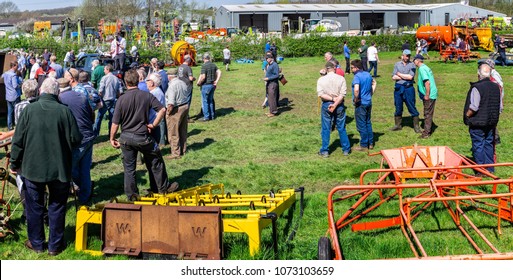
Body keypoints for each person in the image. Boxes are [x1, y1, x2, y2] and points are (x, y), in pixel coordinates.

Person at [10, 77, 82, 256]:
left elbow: (17, 141)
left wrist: (14, 163)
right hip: (58, 168)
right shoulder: (63, 111)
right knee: (56, 206)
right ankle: (54, 245)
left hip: (33, 168)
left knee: (35, 207)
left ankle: (37, 243)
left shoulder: (29, 110)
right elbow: (76, 138)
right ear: (56, 93)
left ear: (41, 91)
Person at [110, 69, 178, 200]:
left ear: (125, 82)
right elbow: (162, 109)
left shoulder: (121, 99)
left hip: (126, 138)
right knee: (155, 161)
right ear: (139, 80)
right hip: (143, 136)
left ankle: (132, 196)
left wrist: (112, 137)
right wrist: (154, 124)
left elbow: (115, 122)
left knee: (129, 169)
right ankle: (162, 189)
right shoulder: (146, 96)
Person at [58, 75, 95, 205]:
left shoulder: (61, 99)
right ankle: (86, 194)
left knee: (70, 167)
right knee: (84, 168)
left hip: (78, 138)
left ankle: (84, 190)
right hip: (89, 134)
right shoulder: (81, 95)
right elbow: (92, 113)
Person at [463, 63, 501, 174]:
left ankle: (480, 170)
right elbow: (500, 106)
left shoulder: (477, 87)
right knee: (489, 144)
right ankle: (490, 169)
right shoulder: (496, 87)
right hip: (491, 121)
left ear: (479, 74)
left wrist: (467, 115)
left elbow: (474, 106)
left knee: (478, 145)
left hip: (478, 122)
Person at [317, 61, 350, 157]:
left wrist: (332, 100)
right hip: (339, 104)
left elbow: (321, 94)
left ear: (326, 69)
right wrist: (335, 103)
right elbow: (342, 94)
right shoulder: (341, 79)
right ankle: (346, 149)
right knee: (341, 127)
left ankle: (325, 150)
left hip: (327, 104)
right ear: (334, 68)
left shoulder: (321, 80)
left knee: (326, 128)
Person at [391, 49, 420, 133]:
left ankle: (416, 126)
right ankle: (398, 125)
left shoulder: (412, 65)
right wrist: (404, 76)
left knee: (411, 106)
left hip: (408, 88)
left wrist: (399, 74)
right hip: (398, 88)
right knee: (398, 106)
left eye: (409, 56)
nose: (407, 57)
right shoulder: (397, 64)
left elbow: (410, 77)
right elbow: (393, 77)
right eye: (406, 55)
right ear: (402, 55)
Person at [350, 59, 376, 151]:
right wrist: (371, 93)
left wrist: (356, 99)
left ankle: (364, 145)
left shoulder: (357, 77)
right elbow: (374, 83)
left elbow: (356, 89)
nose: (351, 69)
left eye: (352, 68)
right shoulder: (367, 74)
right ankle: (371, 143)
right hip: (369, 102)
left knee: (361, 124)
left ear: (356, 68)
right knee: (368, 122)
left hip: (361, 103)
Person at [165, 68, 190, 159]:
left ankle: (175, 153)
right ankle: (183, 149)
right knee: (182, 130)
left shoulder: (172, 85)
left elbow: (171, 103)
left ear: (169, 76)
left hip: (176, 109)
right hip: (185, 106)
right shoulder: (182, 82)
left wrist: (168, 112)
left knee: (173, 132)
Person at [94, 64, 123, 137]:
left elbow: (101, 90)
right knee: (112, 118)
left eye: (104, 69)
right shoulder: (116, 78)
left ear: (107, 70)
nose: (103, 71)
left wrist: (99, 98)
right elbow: (120, 91)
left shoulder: (104, 78)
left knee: (99, 117)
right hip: (113, 100)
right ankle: (111, 133)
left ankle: (96, 133)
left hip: (105, 100)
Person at [413, 54, 438, 139]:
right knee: (428, 112)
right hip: (432, 93)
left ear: (417, 60)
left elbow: (427, 83)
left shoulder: (422, 69)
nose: (414, 62)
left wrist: (427, 95)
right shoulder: (425, 67)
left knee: (427, 113)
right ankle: (428, 129)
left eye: (414, 60)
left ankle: (426, 133)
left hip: (429, 95)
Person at [196, 53, 221, 121]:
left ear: (204, 59)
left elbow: (203, 77)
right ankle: (212, 116)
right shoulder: (213, 65)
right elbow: (219, 71)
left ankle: (206, 117)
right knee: (210, 100)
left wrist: (199, 83)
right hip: (212, 85)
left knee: (205, 101)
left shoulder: (204, 66)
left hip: (206, 85)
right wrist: (216, 81)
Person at [145, 73, 166, 146]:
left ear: (151, 83)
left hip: (153, 122)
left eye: (147, 80)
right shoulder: (157, 91)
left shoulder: (154, 93)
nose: (146, 82)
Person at [1, 61, 21, 130]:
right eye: (17, 66)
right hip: (15, 95)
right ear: (14, 66)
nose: (17, 67)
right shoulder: (13, 75)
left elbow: (2, 77)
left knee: (9, 112)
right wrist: (20, 85)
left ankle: (9, 126)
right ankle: (17, 125)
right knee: (17, 111)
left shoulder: (6, 73)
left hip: (8, 95)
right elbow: (15, 86)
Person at [263, 53, 279, 117]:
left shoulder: (274, 64)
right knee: (269, 97)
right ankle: (270, 111)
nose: (266, 60)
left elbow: (276, 75)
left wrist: (268, 78)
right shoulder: (269, 64)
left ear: (271, 58)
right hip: (269, 83)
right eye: (266, 59)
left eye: (267, 58)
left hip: (273, 83)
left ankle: (273, 112)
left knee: (272, 98)